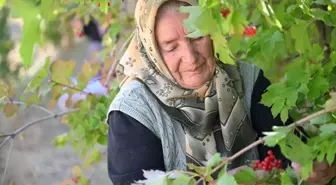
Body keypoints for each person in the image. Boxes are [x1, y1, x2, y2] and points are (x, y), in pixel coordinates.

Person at [106, 0, 336, 185]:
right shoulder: (133, 111)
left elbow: (289, 150)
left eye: (196, 37)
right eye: (171, 46)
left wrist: (309, 171)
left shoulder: (246, 79)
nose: (190, 56)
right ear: (152, 51)